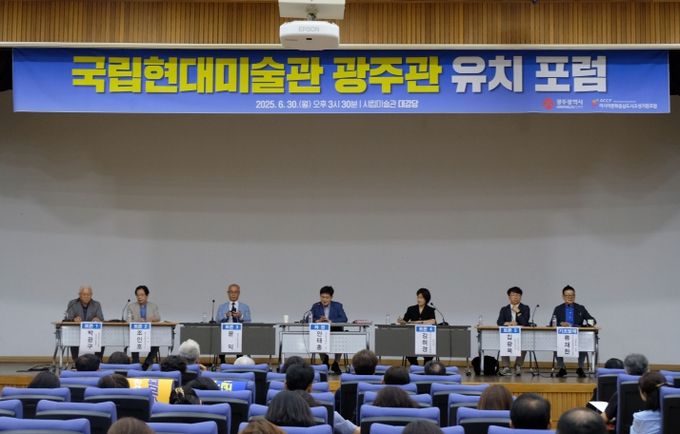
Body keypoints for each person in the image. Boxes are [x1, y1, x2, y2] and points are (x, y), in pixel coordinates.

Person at [551, 285, 596, 378]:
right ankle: (562, 368)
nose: (570, 297)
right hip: (562, 335)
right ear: (563, 297)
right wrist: (560, 323)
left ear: (574, 296)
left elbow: (592, 320)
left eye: (572, 295)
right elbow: (552, 323)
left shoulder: (580, 308)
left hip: (578, 335)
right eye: (567, 295)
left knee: (584, 344)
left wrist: (588, 323)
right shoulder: (558, 308)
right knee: (556, 345)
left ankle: (580, 368)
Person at [310, 285, 348, 375]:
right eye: (322, 297)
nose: (324, 300)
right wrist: (317, 321)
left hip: (335, 330)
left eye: (327, 297)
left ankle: (336, 363)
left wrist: (331, 321)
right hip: (321, 331)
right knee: (317, 339)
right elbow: (309, 317)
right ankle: (324, 360)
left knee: (340, 339)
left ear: (331, 297)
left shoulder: (338, 306)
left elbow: (344, 319)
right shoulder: (316, 306)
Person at [602, 353, 649, 424]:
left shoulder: (621, 392)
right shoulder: (656, 389)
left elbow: (604, 418)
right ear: (647, 369)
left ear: (626, 370)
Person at [496, 286, 530, 376]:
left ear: (521, 297)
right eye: (513, 295)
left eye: (518, 295)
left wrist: (518, 312)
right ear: (509, 297)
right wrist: (508, 323)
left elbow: (525, 322)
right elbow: (499, 322)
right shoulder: (504, 309)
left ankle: (518, 365)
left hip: (521, 334)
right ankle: (506, 367)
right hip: (507, 334)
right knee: (504, 342)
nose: (515, 297)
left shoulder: (525, 308)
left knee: (524, 344)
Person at [65, 285, 105, 360]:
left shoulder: (96, 304)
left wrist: (97, 319)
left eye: (88, 294)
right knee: (73, 338)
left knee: (102, 338)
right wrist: (74, 319)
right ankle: (76, 360)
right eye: (84, 294)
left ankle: (98, 360)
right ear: (79, 295)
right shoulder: (73, 303)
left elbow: (101, 318)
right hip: (77, 332)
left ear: (91, 295)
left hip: (93, 332)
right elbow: (68, 318)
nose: (86, 296)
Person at [398, 288, 436, 366]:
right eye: (418, 297)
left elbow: (432, 321)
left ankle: (425, 368)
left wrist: (418, 322)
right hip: (413, 337)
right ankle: (416, 368)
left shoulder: (430, 309)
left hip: (426, 337)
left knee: (429, 355)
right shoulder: (411, 309)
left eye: (421, 298)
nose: (419, 299)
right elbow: (405, 321)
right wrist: (401, 321)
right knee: (409, 354)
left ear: (426, 299)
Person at [216, 283, 252, 363]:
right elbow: (217, 320)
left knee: (242, 339)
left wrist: (241, 316)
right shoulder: (222, 307)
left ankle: (239, 361)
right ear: (228, 293)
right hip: (225, 332)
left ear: (239, 293)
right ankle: (222, 361)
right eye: (231, 292)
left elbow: (249, 321)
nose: (233, 294)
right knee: (220, 338)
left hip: (240, 333)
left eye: (235, 292)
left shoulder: (245, 307)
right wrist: (225, 315)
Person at [128, 285, 161, 370]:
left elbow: (158, 318)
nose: (139, 297)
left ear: (147, 295)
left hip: (150, 333)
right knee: (134, 340)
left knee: (157, 342)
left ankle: (147, 363)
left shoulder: (153, 306)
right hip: (136, 333)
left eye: (142, 295)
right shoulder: (131, 306)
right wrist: (137, 321)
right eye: (137, 295)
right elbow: (128, 320)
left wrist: (151, 319)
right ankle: (135, 363)